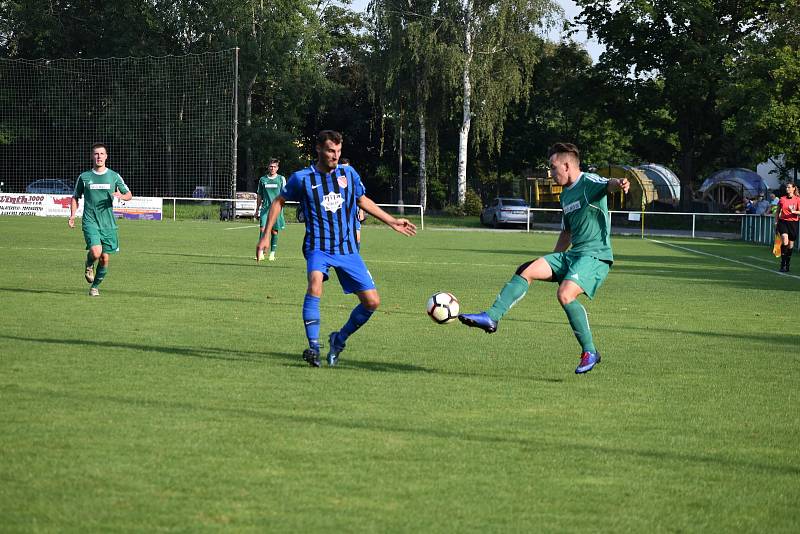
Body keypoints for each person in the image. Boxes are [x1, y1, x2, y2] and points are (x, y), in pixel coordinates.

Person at [458, 142, 630, 374]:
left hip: (595, 256)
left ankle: (590, 351)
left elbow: (608, 185)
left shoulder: (589, 182)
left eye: (553, 167)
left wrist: (619, 183)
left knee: (565, 294)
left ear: (567, 165)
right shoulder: (566, 194)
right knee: (527, 269)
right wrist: (555, 259)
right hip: (573, 254)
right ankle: (491, 317)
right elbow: (567, 232)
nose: (550, 173)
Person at [256, 130, 417, 367]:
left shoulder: (348, 173)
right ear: (319, 149)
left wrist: (392, 221)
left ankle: (338, 339)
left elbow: (362, 200)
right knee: (315, 283)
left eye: (339, 151)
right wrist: (265, 234)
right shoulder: (302, 178)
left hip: (347, 248)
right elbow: (279, 201)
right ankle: (313, 347)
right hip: (317, 246)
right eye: (331, 150)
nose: (335, 155)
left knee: (372, 302)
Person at [68, 143, 132, 296]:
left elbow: (129, 195)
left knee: (104, 258)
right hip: (90, 221)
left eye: (102, 154)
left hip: (108, 224)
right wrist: (72, 215)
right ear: (92, 156)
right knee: (96, 253)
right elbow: (75, 197)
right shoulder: (84, 177)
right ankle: (89, 264)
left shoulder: (114, 176)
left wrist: (121, 196)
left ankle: (94, 287)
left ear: (106, 156)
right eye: (96, 154)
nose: (99, 157)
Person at [254, 159, 286, 261]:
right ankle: (260, 253)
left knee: (274, 231)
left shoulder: (281, 179)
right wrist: (257, 209)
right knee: (262, 229)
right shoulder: (263, 179)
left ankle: (272, 254)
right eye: (271, 166)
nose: (272, 168)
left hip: (276, 208)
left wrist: (281, 206)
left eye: (274, 167)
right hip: (265, 208)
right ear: (268, 167)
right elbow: (259, 195)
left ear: (277, 168)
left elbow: (284, 194)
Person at [775, 182, 800, 272]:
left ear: (793, 188)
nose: (787, 189)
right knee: (785, 239)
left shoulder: (798, 199)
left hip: (793, 223)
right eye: (786, 187)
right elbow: (777, 211)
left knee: (790, 244)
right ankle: (783, 264)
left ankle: (787, 263)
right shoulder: (782, 199)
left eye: (789, 187)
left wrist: (793, 211)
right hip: (783, 222)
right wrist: (776, 221)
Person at [341, 158, 366, 245]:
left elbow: (361, 197)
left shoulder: (354, 179)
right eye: (343, 168)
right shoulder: (335, 179)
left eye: (347, 168)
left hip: (353, 213)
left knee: (357, 238)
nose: (345, 170)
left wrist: (361, 211)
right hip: (340, 214)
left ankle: (354, 255)